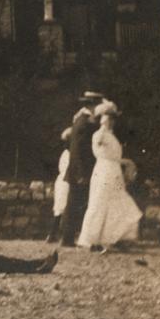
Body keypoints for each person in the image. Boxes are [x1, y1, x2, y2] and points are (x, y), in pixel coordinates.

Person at [77, 100, 143, 252]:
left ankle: (116, 237)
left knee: (119, 202)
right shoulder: (99, 134)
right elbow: (100, 152)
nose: (112, 121)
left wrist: (123, 162)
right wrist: (123, 161)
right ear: (103, 119)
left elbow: (113, 155)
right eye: (109, 118)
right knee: (100, 202)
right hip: (104, 172)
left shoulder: (111, 136)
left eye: (113, 118)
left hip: (113, 172)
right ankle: (92, 239)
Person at [58, 97, 98, 245]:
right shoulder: (84, 123)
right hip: (80, 171)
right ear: (92, 105)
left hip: (78, 171)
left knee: (75, 203)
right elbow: (78, 151)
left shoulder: (80, 120)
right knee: (74, 203)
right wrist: (81, 173)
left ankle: (69, 237)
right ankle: (67, 238)